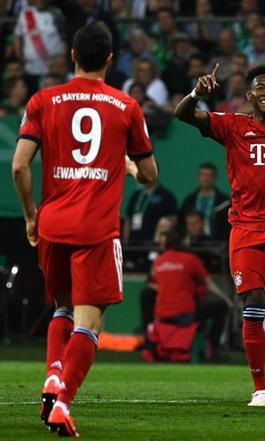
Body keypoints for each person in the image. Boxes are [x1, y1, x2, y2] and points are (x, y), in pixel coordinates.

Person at [11, 21, 157, 437]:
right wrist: (128, 166)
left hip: (52, 225)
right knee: (88, 323)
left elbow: (20, 165)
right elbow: (149, 173)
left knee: (61, 306)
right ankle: (62, 401)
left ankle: (52, 376)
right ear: (110, 60)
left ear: (72, 55)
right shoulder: (125, 106)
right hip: (95, 228)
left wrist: (29, 215)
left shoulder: (43, 100)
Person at [174, 63, 265, 408]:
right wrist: (197, 93)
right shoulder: (232, 125)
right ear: (249, 95)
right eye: (261, 88)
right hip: (246, 228)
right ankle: (261, 388)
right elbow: (182, 114)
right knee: (252, 303)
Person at [150, 229, 230, 360]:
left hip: (162, 314)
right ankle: (213, 350)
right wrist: (225, 299)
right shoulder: (191, 260)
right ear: (182, 241)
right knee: (222, 307)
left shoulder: (158, 261)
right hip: (185, 314)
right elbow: (209, 284)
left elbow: (154, 285)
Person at [179, 163, 231, 241]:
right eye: (203, 175)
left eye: (210, 175)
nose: (206, 178)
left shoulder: (224, 202)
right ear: (198, 177)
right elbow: (181, 221)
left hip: (217, 244)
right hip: (191, 244)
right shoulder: (189, 200)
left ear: (215, 178)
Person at [123, 174, 177, 244]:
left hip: (154, 243)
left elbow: (172, 220)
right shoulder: (136, 195)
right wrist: (125, 240)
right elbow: (128, 219)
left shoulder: (166, 196)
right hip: (133, 243)